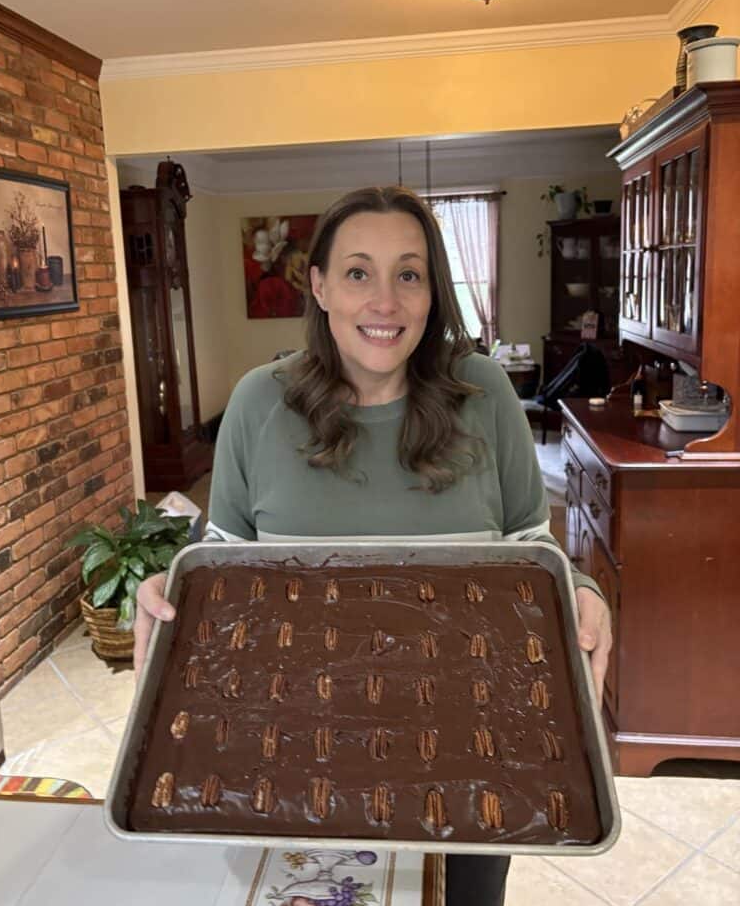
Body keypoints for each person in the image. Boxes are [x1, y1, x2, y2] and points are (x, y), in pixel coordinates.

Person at [135, 185, 612, 906]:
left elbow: (533, 555)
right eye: (358, 272)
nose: (384, 300)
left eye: (409, 273)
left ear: (432, 292)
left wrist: (584, 592)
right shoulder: (259, 405)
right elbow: (221, 577)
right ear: (320, 286)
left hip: (470, 751)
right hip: (296, 756)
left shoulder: (482, 393)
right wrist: (170, 601)